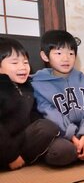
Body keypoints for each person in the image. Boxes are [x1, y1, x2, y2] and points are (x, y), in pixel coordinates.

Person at [31, 30, 84, 166]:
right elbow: (51, 114)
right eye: (58, 53)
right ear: (45, 56)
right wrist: (73, 137)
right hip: (59, 131)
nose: (66, 58)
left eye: (71, 53)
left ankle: (80, 150)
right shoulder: (38, 83)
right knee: (63, 153)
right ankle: (73, 151)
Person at [0, 37, 59, 170]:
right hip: (4, 143)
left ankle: (18, 160)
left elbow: (33, 115)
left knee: (47, 127)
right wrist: (11, 156)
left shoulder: (27, 86)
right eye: (14, 63)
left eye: (25, 62)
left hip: (18, 139)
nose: (23, 67)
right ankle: (11, 161)